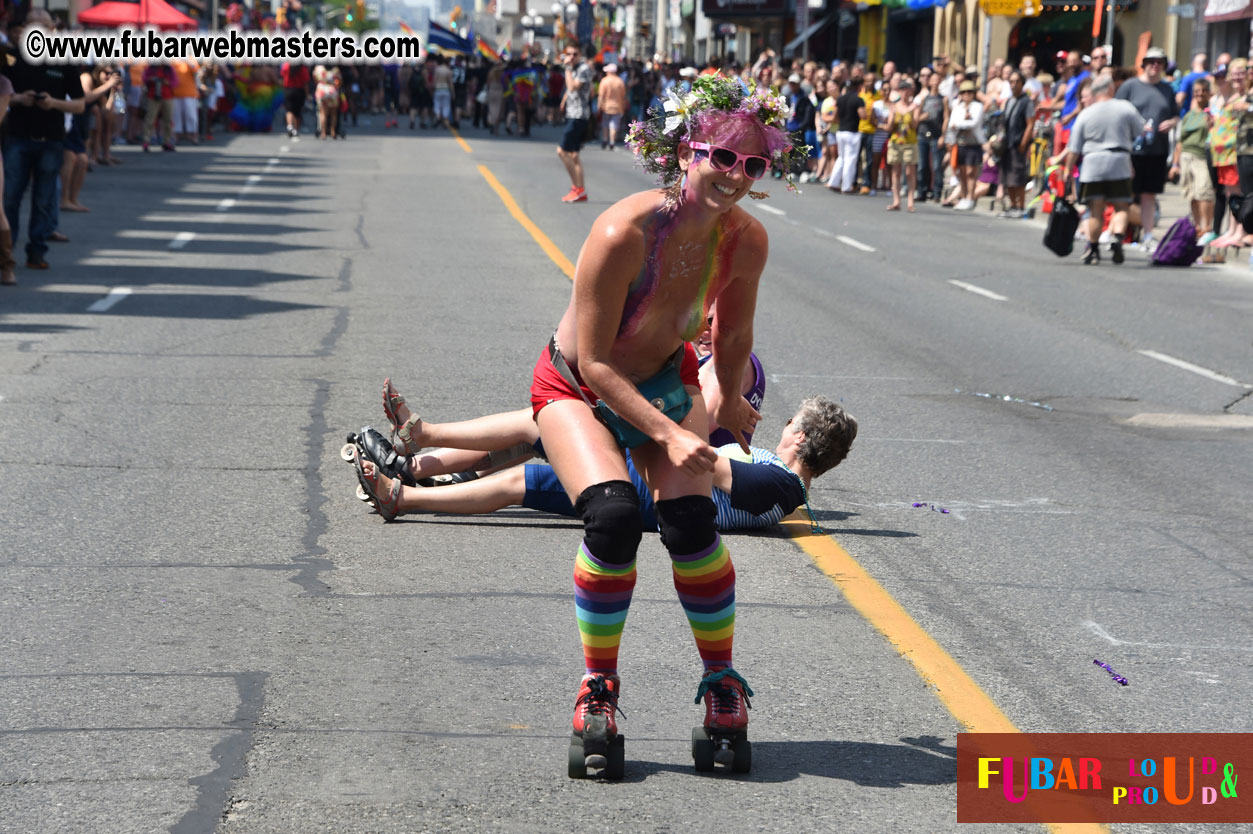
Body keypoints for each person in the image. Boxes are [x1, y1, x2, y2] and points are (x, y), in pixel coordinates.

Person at [359, 73, 802, 778]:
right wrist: (669, 433)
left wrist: (726, 401)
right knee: (614, 517)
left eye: (752, 165)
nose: (735, 177)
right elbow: (594, 363)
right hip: (575, 382)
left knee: (690, 524)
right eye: (720, 157)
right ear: (683, 150)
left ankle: (722, 687)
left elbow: (733, 338)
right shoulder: (621, 230)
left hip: (664, 376)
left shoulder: (745, 240)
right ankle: (597, 690)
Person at [353, 396, 855, 530]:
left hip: (641, 492)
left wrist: (638, 422)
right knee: (537, 436)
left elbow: (703, 464)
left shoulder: (781, 485)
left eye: (791, 420)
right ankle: (413, 468)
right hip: (647, 485)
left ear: (802, 436)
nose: (782, 423)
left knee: (530, 449)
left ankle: (412, 468)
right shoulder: (783, 486)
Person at [3, 8, 86, 275]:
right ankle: (7, 251)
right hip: (17, 136)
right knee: (11, 196)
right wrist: (19, 99)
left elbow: (80, 105)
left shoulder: (64, 61)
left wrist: (53, 104)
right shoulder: (10, 57)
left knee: (43, 197)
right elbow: (3, 94)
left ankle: (36, 251)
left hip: (51, 138)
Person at [1050, 74, 1143, 265]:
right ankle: (1117, 237)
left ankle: (1093, 249)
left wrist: (1068, 170)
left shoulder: (1086, 114)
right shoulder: (1125, 108)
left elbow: (1074, 148)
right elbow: (1140, 131)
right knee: (1121, 206)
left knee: (1095, 210)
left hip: (1093, 163)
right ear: (1111, 89)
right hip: (1119, 160)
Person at [1115, 46, 1179, 249]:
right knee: (1125, 193)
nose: (1155, 65)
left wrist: (1172, 122)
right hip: (1132, 148)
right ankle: (1116, 232)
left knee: (1149, 194)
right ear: (1143, 64)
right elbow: (1116, 112)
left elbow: (1176, 115)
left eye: (1159, 62)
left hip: (1156, 149)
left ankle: (1148, 235)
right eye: (1151, 61)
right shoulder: (1130, 86)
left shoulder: (1167, 89)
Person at [1170, 78, 1216, 245]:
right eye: (1196, 91)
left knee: (1204, 193)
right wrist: (1175, 164)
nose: (1199, 94)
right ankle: (1197, 227)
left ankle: (1207, 227)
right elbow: (1180, 142)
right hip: (1186, 157)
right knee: (1193, 195)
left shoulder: (1210, 113)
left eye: (1203, 90)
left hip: (1202, 157)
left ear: (1208, 92)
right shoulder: (1189, 115)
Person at [557, 43, 594, 203]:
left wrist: (567, 69)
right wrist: (564, 101)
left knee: (561, 151)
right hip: (573, 113)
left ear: (580, 55)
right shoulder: (575, 69)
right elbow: (569, 90)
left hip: (579, 115)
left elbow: (572, 87)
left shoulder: (583, 69)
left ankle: (576, 188)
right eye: (569, 54)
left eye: (575, 54)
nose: (571, 57)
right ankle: (580, 190)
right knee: (574, 155)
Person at [998, 71, 1035, 218]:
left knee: (1018, 177)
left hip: (1018, 144)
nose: (1013, 85)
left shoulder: (1027, 102)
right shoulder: (1009, 101)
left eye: (1016, 82)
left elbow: (1030, 124)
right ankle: (1013, 205)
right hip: (1007, 144)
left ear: (1022, 83)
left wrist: (1023, 143)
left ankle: (1020, 207)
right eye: (1011, 82)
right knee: (1008, 177)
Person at [885, 78, 920, 212]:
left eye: (908, 90)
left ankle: (910, 202)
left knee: (910, 171)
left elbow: (915, 125)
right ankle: (896, 200)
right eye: (903, 90)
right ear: (899, 91)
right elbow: (889, 126)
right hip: (896, 141)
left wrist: (909, 114)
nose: (905, 93)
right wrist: (894, 118)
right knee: (896, 172)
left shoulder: (914, 106)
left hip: (910, 141)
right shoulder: (894, 106)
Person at [949, 80, 984, 210]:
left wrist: (959, 123)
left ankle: (970, 197)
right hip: (960, 143)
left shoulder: (977, 106)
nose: (967, 95)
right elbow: (951, 123)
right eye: (964, 92)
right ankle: (963, 196)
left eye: (970, 92)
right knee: (962, 172)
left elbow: (973, 123)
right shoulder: (958, 107)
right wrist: (959, 123)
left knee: (971, 172)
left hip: (974, 143)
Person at [598, 64, 627, 149]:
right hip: (617, 107)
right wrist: (623, 106)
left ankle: (605, 139)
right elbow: (623, 96)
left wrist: (599, 106)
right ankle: (612, 141)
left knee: (605, 124)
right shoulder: (620, 81)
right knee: (614, 125)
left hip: (606, 106)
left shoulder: (604, 81)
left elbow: (601, 95)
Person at [281, 60, 310, 138]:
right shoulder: (303, 68)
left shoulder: (286, 66)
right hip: (299, 91)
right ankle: (296, 130)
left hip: (288, 90)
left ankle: (290, 126)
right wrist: (307, 95)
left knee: (289, 110)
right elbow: (305, 82)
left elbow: (283, 77)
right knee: (297, 112)